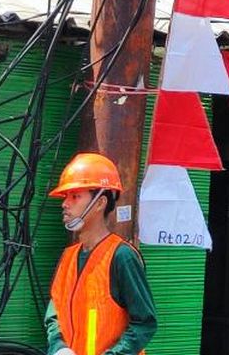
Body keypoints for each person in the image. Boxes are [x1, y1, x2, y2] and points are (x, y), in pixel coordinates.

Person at [45, 152, 157, 355]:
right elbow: (54, 313)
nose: (65, 204)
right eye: (66, 196)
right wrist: (59, 347)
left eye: (75, 196)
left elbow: (145, 322)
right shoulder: (68, 257)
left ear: (99, 203)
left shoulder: (122, 256)